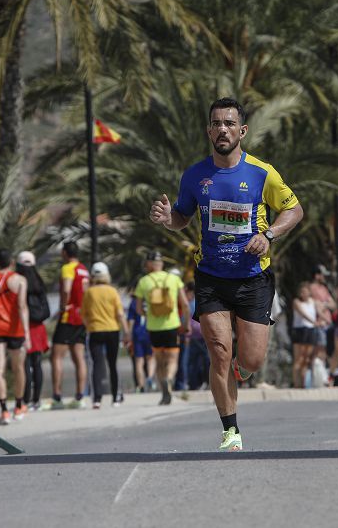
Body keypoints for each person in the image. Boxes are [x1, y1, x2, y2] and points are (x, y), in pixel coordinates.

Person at [149, 97, 304, 451]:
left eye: (229, 123)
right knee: (220, 351)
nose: (223, 129)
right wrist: (166, 219)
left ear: (242, 131)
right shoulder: (194, 176)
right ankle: (230, 430)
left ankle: (242, 371)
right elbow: (181, 217)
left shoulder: (263, 173)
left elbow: (294, 211)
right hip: (211, 277)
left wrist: (268, 236)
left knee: (250, 360)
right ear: (208, 131)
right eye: (217, 123)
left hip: (253, 277)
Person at [134, 251, 189, 405]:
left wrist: (149, 314)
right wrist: (185, 324)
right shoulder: (174, 279)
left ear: (149, 265)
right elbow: (184, 305)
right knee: (172, 359)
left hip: (154, 327)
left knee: (158, 360)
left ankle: (163, 389)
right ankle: (169, 378)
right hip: (172, 325)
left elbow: (139, 310)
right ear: (161, 264)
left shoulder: (144, 282)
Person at [0, 249, 30, 425]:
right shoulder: (19, 280)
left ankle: (4, 410)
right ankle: (18, 405)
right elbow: (22, 307)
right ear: (11, 262)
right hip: (15, 329)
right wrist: (27, 333)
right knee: (18, 368)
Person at [82, 261, 130, 408]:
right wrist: (127, 332)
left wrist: (89, 326)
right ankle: (116, 397)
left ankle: (97, 399)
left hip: (95, 330)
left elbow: (83, 314)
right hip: (112, 330)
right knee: (113, 364)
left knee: (95, 365)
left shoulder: (89, 293)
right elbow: (120, 314)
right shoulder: (112, 291)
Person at [51, 241, 89, 409]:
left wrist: (62, 306)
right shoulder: (84, 269)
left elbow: (66, 289)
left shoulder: (68, 268)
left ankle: (57, 397)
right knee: (78, 357)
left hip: (68, 316)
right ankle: (80, 396)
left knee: (56, 356)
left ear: (65, 253)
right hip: (81, 316)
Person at [16, 251, 49, 411]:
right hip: (39, 327)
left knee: (25, 363)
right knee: (37, 363)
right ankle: (37, 399)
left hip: (23, 326)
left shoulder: (19, 281)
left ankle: (26, 399)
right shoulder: (39, 281)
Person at [291, 282, 319, 388]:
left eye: (306, 291)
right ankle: (296, 383)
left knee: (307, 358)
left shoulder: (313, 302)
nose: (304, 294)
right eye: (302, 292)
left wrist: (324, 320)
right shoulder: (297, 302)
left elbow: (321, 310)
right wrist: (313, 321)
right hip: (300, 330)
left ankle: (303, 383)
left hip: (310, 330)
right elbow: (303, 313)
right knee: (299, 358)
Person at [126, 295, 156, 392]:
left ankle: (140, 386)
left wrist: (128, 336)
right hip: (151, 331)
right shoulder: (152, 300)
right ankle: (150, 378)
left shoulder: (134, 303)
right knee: (151, 359)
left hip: (137, 334)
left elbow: (131, 321)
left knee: (138, 361)